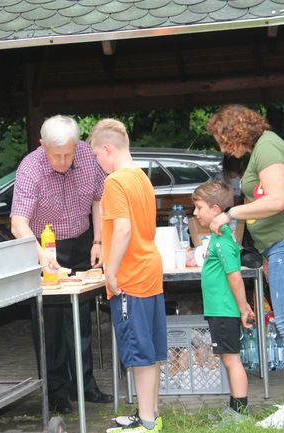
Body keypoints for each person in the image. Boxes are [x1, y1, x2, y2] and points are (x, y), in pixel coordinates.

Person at [206, 105, 284, 429]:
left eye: (222, 139)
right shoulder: (264, 147)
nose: (222, 148)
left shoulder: (268, 147)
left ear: (236, 130)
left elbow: (275, 200)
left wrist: (230, 214)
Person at [10, 115, 111, 414]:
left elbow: (99, 200)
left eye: (69, 153)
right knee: (50, 324)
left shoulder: (87, 157)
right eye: (57, 156)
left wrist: (99, 241)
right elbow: (18, 223)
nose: (65, 161)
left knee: (79, 319)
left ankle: (84, 385)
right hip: (44, 246)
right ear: (42, 146)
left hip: (82, 242)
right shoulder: (30, 167)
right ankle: (56, 392)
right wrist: (43, 256)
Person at [89, 119, 165, 433]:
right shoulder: (142, 178)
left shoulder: (116, 182)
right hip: (150, 271)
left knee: (139, 352)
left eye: (96, 156)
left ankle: (146, 425)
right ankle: (150, 414)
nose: (97, 162)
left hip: (131, 277)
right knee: (152, 349)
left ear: (107, 148)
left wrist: (111, 272)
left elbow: (122, 229)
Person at [192, 181, 254, 425]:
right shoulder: (216, 239)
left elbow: (235, 277)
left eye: (199, 208)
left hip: (225, 310)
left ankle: (240, 414)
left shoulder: (223, 242)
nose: (195, 213)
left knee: (232, 360)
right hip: (218, 310)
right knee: (228, 359)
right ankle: (234, 408)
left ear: (215, 210)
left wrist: (242, 308)